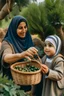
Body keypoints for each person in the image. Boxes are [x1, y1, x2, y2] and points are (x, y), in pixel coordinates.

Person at [0, 15, 38, 92]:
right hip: (11, 87)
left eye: (25, 27)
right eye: (20, 28)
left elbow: (35, 59)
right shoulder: (7, 42)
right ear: (14, 29)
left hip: (28, 85)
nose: (24, 30)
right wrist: (22, 55)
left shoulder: (28, 40)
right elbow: (6, 57)